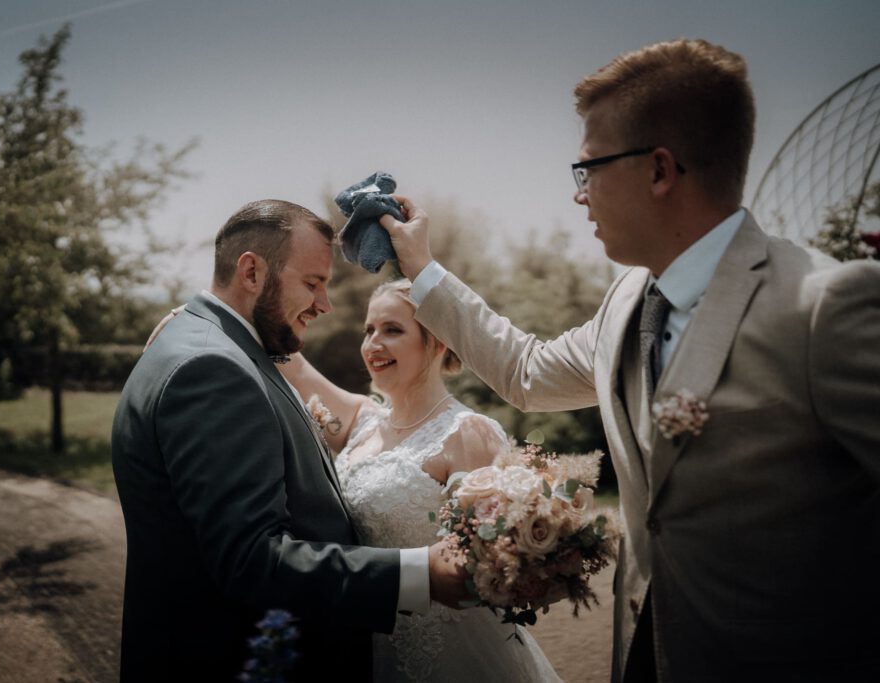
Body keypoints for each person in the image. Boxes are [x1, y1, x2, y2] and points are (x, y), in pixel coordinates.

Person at [380, 39, 880, 682]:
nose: (578, 196)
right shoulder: (626, 301)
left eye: (587, 169)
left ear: (660, 170)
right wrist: (421, 270)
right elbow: (527, 374)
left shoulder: (825, 306)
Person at [111, 200, 466, 682]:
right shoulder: (214, 369)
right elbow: (251, 557)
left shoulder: (216, 347)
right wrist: (418, 574)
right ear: (252, 272)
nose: (325, 304)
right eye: (313, 283)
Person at [272, 278, 563, 682]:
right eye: (368, 330)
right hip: (370, 644)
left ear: (437, 341)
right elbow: (292, 362)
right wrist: (226, 319)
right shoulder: (361, 421)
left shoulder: (467, 433)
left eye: (392, 330)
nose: (373, 343)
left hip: (454, 655)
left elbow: (481, 566)